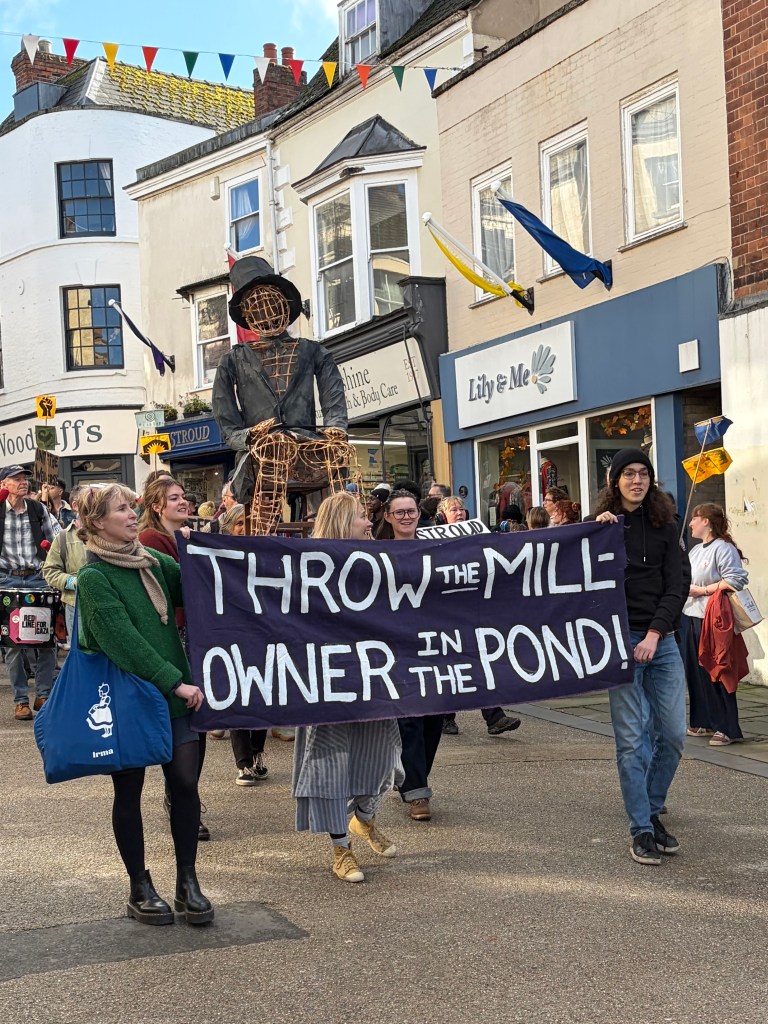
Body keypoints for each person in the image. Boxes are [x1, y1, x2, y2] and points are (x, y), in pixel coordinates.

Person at [76, 483, 213, 925]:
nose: (132, 515)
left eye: (132, 508)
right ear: (97, 522)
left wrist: (198, 553)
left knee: (185, 786)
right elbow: (124, 643)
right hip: (131, 700)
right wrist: (175, 682)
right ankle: (139, 885)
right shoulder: (95, 577)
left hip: (175, 697)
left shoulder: (152, 560)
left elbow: (194, 587)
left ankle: (187, 881)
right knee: (128, 792)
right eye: (121, 510)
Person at [292, 491, 403, 883]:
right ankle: (341, 849)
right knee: (331, 766)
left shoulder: (380, 558)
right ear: (342, 520)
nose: (369, 522)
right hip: (331, 681)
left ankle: (364, 821)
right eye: (362, 516)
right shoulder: (307, 564)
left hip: (374, 677)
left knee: (382, 756)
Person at [594, 449, 685, 866]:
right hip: (618, 642)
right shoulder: (601, 529)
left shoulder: (667, 526)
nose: (636, 480)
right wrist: (595, 535)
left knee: (672, 735)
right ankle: (642, 829)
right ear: (615, 481)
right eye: (628, 474)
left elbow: (676, 585)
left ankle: (651, 808)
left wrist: (654, 633)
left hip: (660, 641)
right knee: (632, 741)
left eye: (643, 473)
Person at [137, 477, 210, 842]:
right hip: (177, 637)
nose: (184, 503)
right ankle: (181, 797)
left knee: (198, 720)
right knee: (185, 721)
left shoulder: (183, 537)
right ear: (156, 506)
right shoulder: (153, 541)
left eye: (184, 497)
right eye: (174, 498)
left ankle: (186, 797)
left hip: (194, 636)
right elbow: (176, 591)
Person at [380, 489, 445, 821]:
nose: (406, 517)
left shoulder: (436, 550)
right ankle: (418, 791)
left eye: (411, 512)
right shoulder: (375, 554)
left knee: (434, 717)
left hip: (433, 645)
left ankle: (412, 778)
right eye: (399, 513)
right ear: (388, 517)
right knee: (409, 719)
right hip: (396, 649)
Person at [439, 492, 522, 739]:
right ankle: (444, 716)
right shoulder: (433, 542)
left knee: (479, 660)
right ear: (442, 516)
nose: (460, 512)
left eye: (462, 509)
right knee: (450, 663)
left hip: (472, 609)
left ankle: (494, 716)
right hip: (444, 612)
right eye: (453, 509)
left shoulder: (478, 538)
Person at [682, 503, 749, 746]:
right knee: (695, 671)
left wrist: (703, 590)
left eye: (694, 519)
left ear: (706, 521)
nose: (690, 523)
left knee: (718, 670)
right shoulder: (695, 550)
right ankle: (704, 720)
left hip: (713, 620)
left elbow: (736, 579)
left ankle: (727, 727)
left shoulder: (723, 548)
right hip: (691, 616)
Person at [0, 465, 60, 720]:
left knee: (46, 640)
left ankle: (43, 695)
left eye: (25, 478)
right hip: (6, 580)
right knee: (14, 644)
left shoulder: (38, 509)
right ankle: (21, 700)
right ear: (4, 484)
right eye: (16, 479)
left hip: (37, 578)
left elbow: (58, 537)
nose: (23, 482)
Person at [216, 503, 270, 782]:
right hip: (232, 632)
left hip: (262, 632)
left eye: (249, 522)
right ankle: (243, 761)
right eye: (239, 523)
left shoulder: (265, 552)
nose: (245, 528)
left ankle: (257, 750)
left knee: (262, 694)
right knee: (238, 693)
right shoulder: (219, 555)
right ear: (229, 527)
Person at [43, 484, 88, 650]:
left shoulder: (111, 531)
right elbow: (50, 571)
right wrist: (73, 582)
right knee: (82, 653)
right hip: (76, 605)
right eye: (91, 498)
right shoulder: (63, 537)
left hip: (109, 604)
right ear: (75, 505)